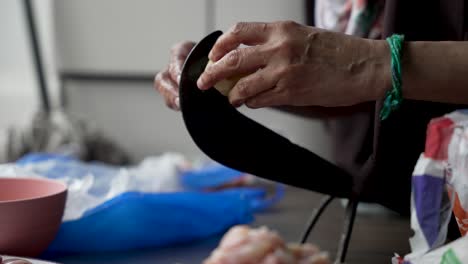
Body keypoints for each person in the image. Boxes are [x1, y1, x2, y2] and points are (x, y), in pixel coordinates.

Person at [154, 0, 468, 218]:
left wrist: (374, 64)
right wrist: (249, 73)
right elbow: (352, 85)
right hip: (400, 206)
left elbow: (364, 67)